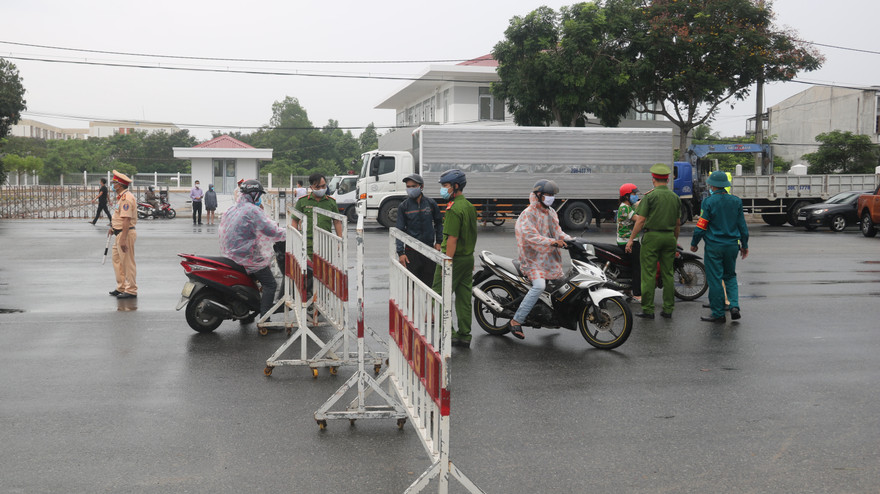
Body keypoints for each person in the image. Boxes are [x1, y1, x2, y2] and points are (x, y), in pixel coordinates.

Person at [509, 180, 573, 339]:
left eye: (553, 195)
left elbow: (558, 233)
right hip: (532, 260)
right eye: (548, 195)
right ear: (538, 195)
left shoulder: (551, 212)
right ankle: (516, 320)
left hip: (549, 260)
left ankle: (552, 317)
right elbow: (530, 237)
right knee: (539, 286)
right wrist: (552, 242)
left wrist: (573, 241)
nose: (551, 198)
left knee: (562, 287)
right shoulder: (528, 213)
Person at [219, 180, 286, 319]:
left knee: (251, 283)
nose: (259, 198)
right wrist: (288, 233)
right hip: (247, 257)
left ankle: (245, 315)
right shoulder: (252, 210)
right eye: (259, 194)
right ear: (253, 194)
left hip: (233, 255)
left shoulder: (233, 208)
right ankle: (265, 319)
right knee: (270, 284)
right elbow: (270, 230)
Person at [690, 171, 749, 323]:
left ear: (712, 186)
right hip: (731, 246)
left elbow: (701, 226)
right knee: (730, 276)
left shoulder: (708, 202)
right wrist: (745, 245)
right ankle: (734, 306)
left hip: (714, 247)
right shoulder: (736, 201)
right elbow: (742, 226)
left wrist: (694, 243)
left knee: (715, 279)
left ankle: (718, 314)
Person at [625, 163, 681, 319]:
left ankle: (648, 309)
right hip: (669, 237)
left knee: (648, 274)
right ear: (668, 179)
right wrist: (674, 241)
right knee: (668, 274)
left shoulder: (650, 197)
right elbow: (677, 224)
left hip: (652, 238)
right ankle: (668, 309)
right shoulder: (675, 197)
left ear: (653, 179)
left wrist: (631, 239)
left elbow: (640, 220)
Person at [431, 169, 478, 348]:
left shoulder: (453, 209)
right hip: (467, 259)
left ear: (456, 186)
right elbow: (471, 234)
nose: (443, 189)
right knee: (464, 298)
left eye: (445, 186)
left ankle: (448, 333)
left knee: (439, 294)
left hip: (453, 259)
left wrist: (446, 263)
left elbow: (452, 239)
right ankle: (465, 335)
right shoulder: (469, 206)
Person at [395, 174, 443, 287]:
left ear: (421, 186)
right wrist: (401, 252)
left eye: (414, 186)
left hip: (429, 250)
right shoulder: (403, 206)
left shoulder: (431, 203)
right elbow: (399, 230)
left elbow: (439, 223)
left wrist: (439, 242)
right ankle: (412, 305)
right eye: (408, 186)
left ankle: (427, 305)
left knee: (429, 286)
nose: (410, 189)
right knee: (411, 286)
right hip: (411, 252)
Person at [108, 170, 138, 299]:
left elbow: (126, 219)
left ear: (119, 184)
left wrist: (124, 239)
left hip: (125, 234)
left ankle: (131, 289)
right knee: (117, 261)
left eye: (114, 183)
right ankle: (121, 286)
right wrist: (113, 228)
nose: (113, 185)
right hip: (118, 233)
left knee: (127, 262)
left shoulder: (126, 198)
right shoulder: (121, 197)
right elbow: (119, 217)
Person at [617, 183, 642, 303]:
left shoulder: (626, 207)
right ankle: (637, 294)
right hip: (629, 242)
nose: (635, 196)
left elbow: (637, 206)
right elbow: (639, 219)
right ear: (626, 196)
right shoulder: (625, 208)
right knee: (637, 267)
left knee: (629, 266)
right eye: (633, 194)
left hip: (625, 241)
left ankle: (627, 289)